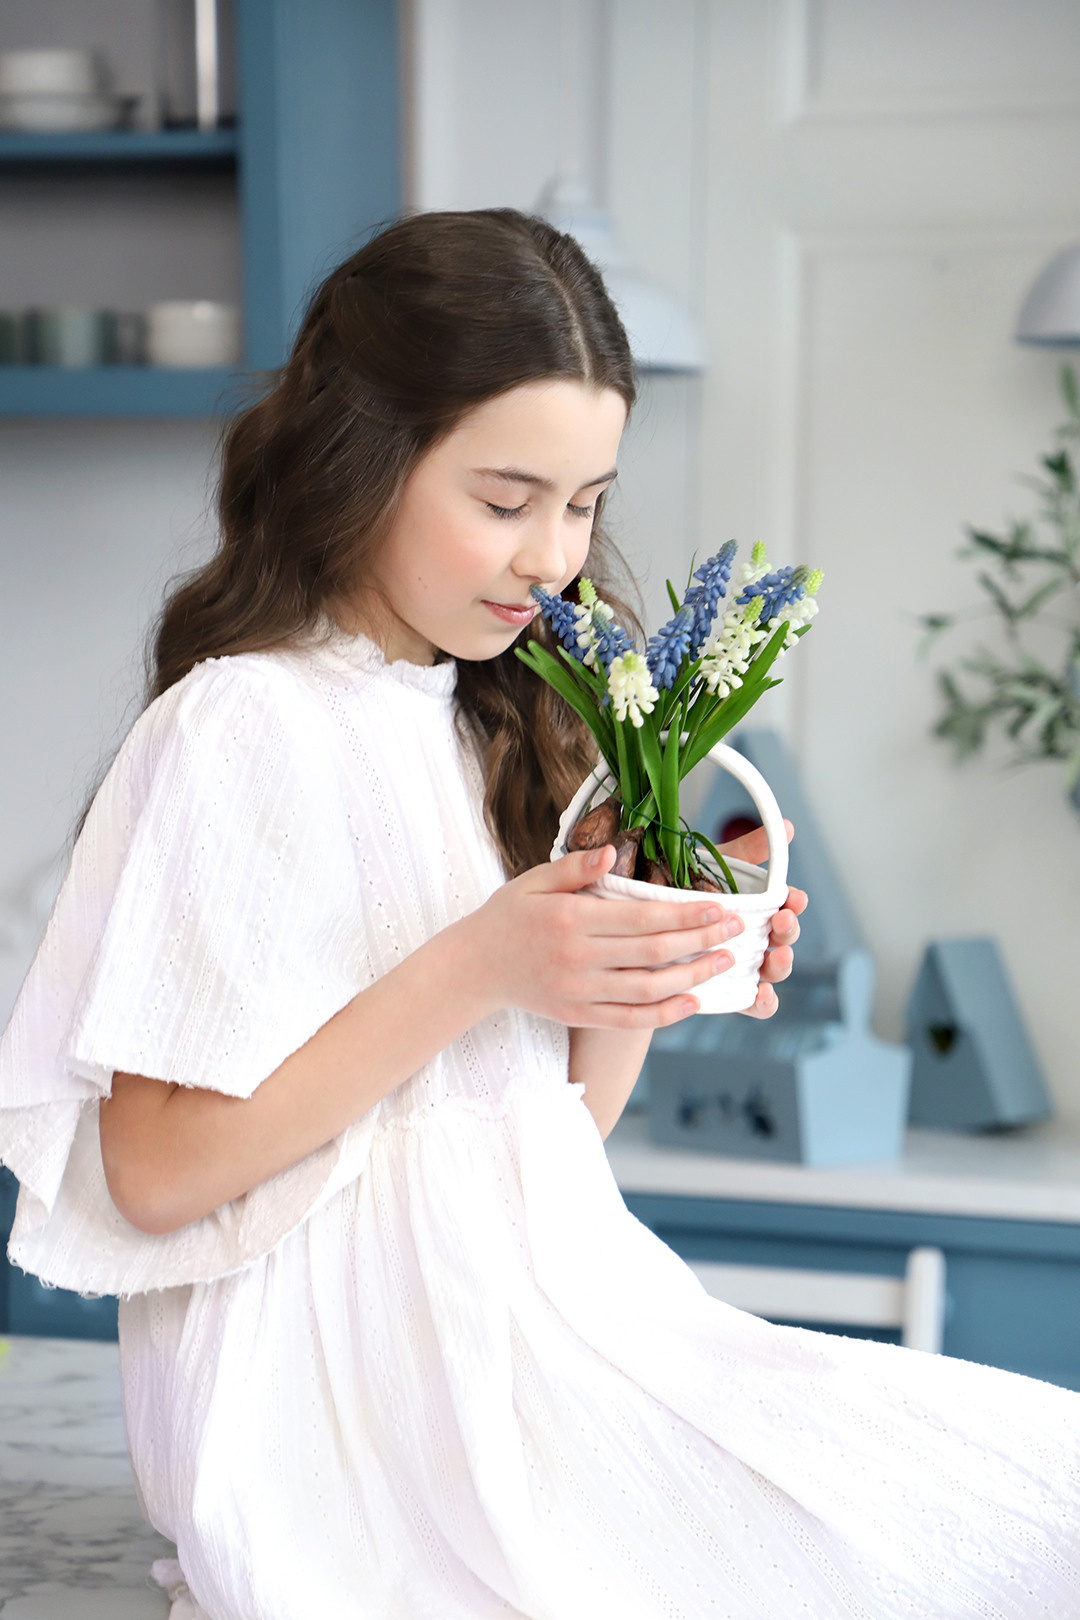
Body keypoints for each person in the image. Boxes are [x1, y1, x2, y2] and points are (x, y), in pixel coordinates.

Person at [0, 208, 1077, 1620]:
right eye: (505, 501)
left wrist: (640, 959)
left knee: (1030, 1484)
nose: (553, 561)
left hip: (555, 1336)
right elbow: (153, 1173)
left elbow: (538, 1146)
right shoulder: (241, 725)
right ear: (360, 459)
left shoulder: (501, 720)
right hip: (345, 1424)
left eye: (585, 504)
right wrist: (483, 958)